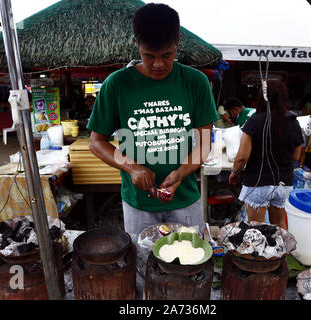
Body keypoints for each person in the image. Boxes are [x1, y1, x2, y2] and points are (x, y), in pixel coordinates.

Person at [87, 3, 218, 238]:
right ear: (137, 44)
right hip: (138, 205)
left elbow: (204, 142)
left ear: (178, 40)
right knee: (143, 266)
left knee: (189, 265)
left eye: (167, 55)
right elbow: (97, 142)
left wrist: (179, 174)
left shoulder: (195, 82)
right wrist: (131, 167)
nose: (158, 65)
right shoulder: (117, 84)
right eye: (149, 56)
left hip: (185, 199)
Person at [228, 79, 303, 230]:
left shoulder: (254, 122)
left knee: (257, 229)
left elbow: (242, 157)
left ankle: (260, 254)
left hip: (258, 183)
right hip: (283, 184)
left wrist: (235, 173)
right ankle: (280, 253)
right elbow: (296, 157)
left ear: (261, 98)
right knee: (280, 227)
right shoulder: (293, 122)